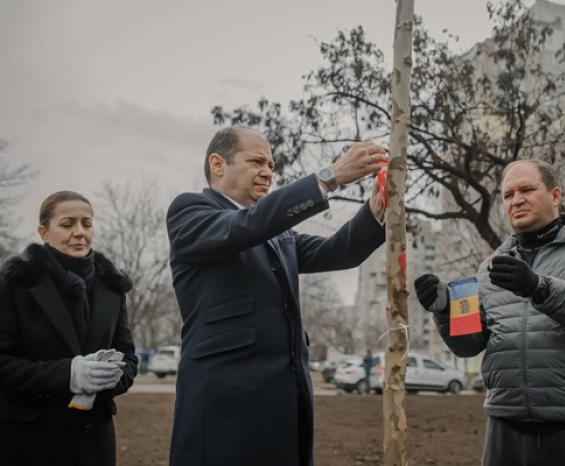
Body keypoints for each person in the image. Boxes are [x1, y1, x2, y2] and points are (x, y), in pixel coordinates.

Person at [167, 127, 388, 466]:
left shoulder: (277, 231)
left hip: (286, 408)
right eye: (256, 161)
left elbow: (340, 251)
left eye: (271, 164)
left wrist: (376, 207)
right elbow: (245, 227)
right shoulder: (190, 211)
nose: (268, 172)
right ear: (217, 164)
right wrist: (329, 177)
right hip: (223, 411)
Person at [414, 160, 565, 466]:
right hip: (505, 431)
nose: (516, 200)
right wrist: (445, 311)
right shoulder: (489, 268)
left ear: (555, 196)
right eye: (508, 194)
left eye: (527, 189)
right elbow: (468, 346)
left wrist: (539, 287)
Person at [0, 191, 138, 466]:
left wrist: (109, 377)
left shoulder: (112, 287)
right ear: (43, 232)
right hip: (30, 443)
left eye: (87, 223)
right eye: (67, 224)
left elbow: (129, 359)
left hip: (95, 445)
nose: (79, 232)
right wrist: (69, 373)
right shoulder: (15, 284)